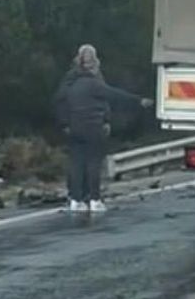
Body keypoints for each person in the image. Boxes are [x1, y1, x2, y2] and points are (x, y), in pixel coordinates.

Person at [53, 44, 153, 214]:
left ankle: (76, 200)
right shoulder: (94, 82)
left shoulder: (69, 81)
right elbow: (114, 95)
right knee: (93, 163)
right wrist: (138, 101)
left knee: (76, 164)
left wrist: (65, 124)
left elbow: (59, 102)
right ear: (94, 62)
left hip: (74, 128)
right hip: (93, 127)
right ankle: (94, 199)